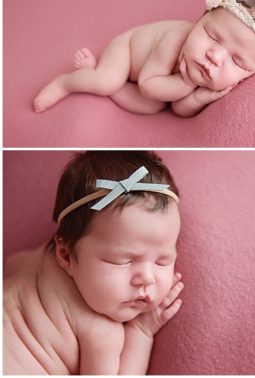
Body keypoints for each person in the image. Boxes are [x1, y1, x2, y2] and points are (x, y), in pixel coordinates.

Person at [4, 151, 185, 374]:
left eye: (162, 261)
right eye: (123, 261)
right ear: (65, 254)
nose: (147, 278)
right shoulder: (102, 334)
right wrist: (141, 332)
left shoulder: (32, 259)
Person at [33, 0, 255, 117]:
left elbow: (178, 109)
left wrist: (200, 98)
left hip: (159, 87)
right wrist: (185, 82)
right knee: (107, 81)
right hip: (128, 53)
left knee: (154, 107)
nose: (215, 57)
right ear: (202, 17)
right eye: (212, 36)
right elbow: (148, 85)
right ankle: (67, 83)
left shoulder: (212, 74)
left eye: (237, 62)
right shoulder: (174, 40)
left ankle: (104, 80)